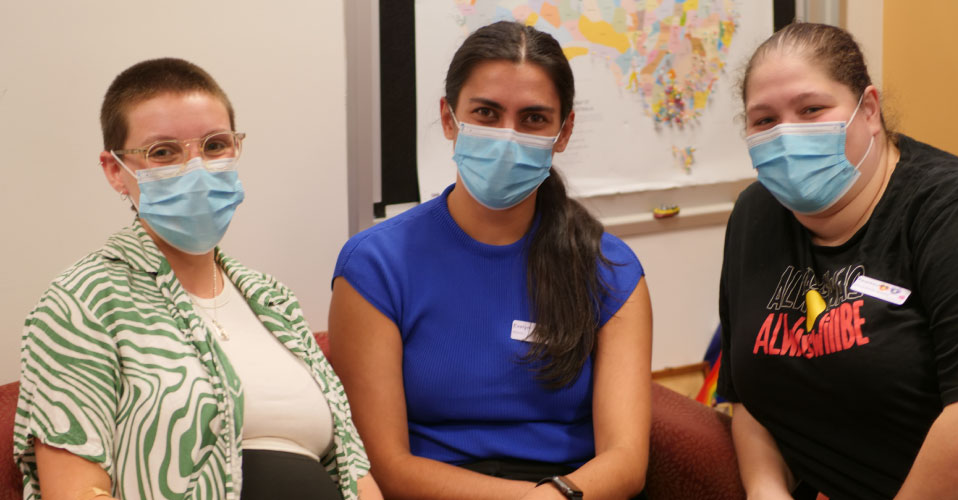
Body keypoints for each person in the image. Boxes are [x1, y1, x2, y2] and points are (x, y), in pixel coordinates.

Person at [14, 58, 380, 500]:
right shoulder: (81, 302)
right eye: (163, 152)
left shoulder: (273, 299)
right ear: (115, 170)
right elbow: (75, 491)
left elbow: (353, 469)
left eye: (215, 145)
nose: (197, 169)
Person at [328, 21, 652, 500]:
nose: (507, 136)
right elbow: (387, 467)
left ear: (563, 132)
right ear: (448, 118)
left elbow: (625, 462)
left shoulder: (611, 269)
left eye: (533, 119)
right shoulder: (375, 265)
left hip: (569, 492)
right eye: (486, 113)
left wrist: (550, 497)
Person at [718, 22, 958, 500]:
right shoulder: (755, 214)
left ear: (868, 110)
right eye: (764, 120)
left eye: (811, 109)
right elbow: (747, 397)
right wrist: (766, 491)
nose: (786, 135)